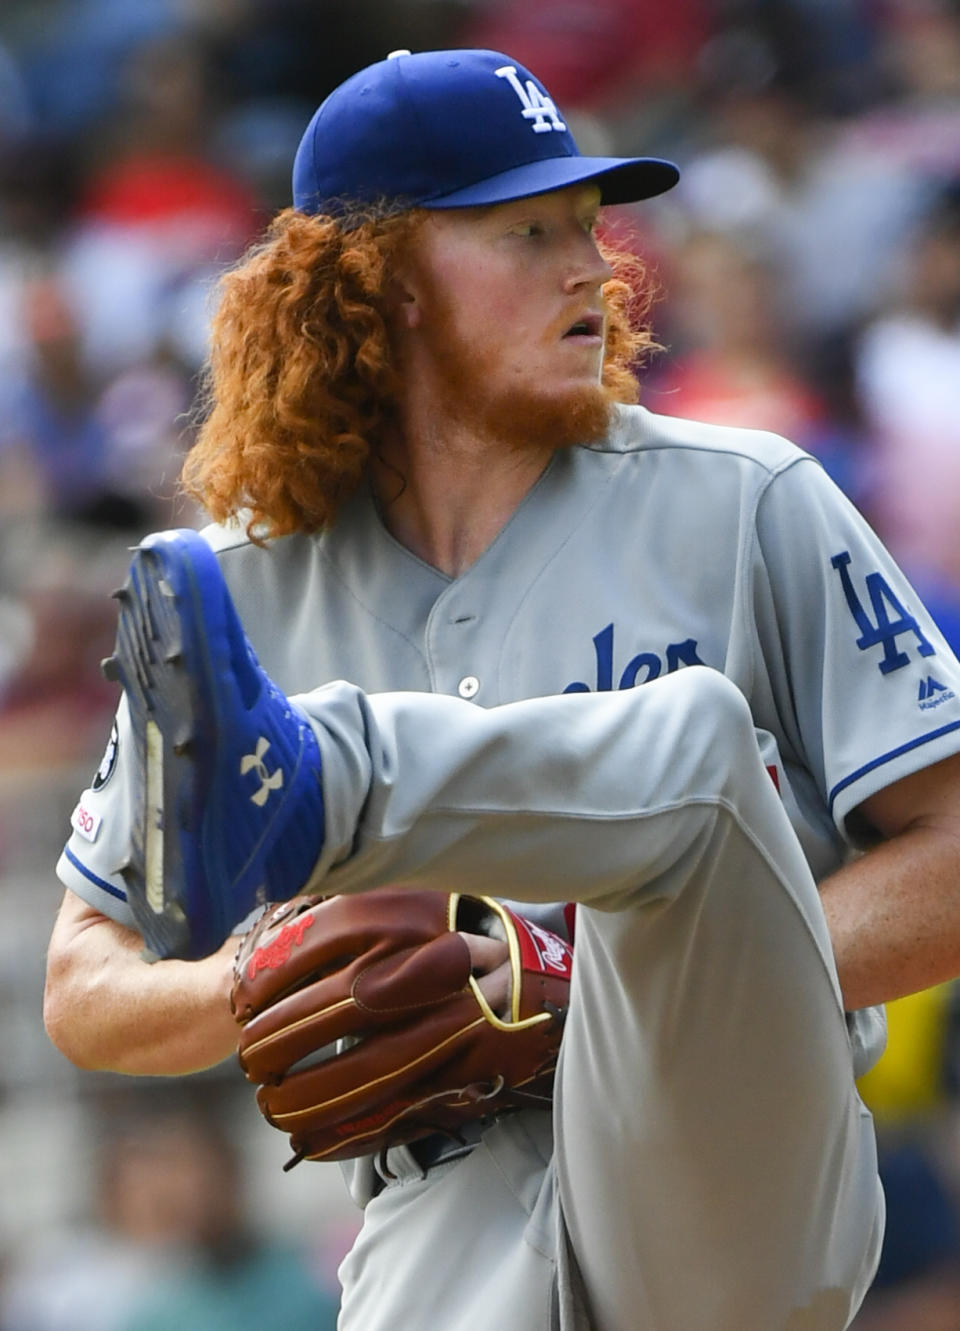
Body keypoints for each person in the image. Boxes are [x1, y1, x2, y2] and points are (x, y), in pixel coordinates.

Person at [42, 47, 960, 1331]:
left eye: (587, 226)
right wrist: (264, 973)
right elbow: (84, 984)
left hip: (725, 1122)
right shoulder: (246, 593)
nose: (594, 266)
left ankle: (330, 779)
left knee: (696, 745)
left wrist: (576, 979)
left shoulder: (748, 497)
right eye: (528, 232)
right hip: (443, 1176)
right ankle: (329, 792)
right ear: (382, 282)